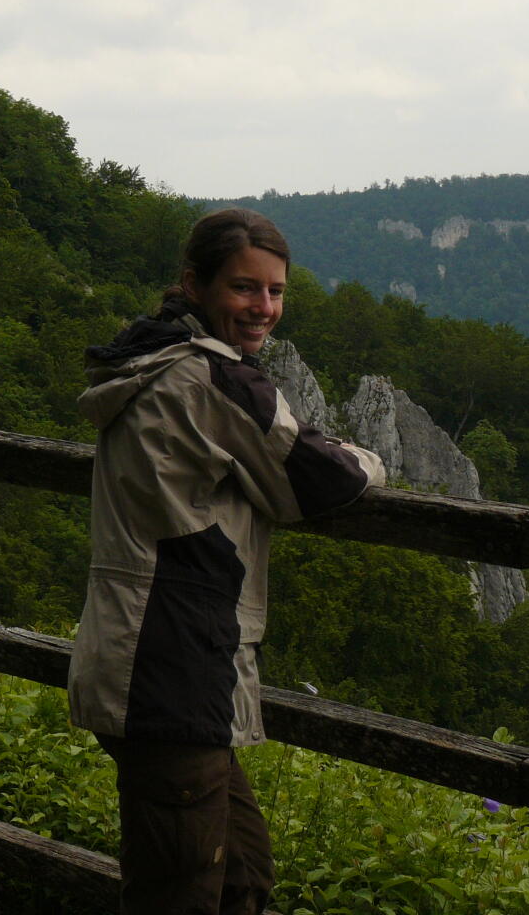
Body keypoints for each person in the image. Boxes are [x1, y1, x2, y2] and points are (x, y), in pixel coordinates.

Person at [67, 207, 385, 915]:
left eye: (275, 292)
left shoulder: (154, 362)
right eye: (245, 288)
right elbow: (319, 479)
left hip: (154, 660)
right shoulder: (210, 380)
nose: (263, 308)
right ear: (196, 285)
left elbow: (272, 453)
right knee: (182, 893)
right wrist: (367, 456)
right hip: (167, 669)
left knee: (240, 878)